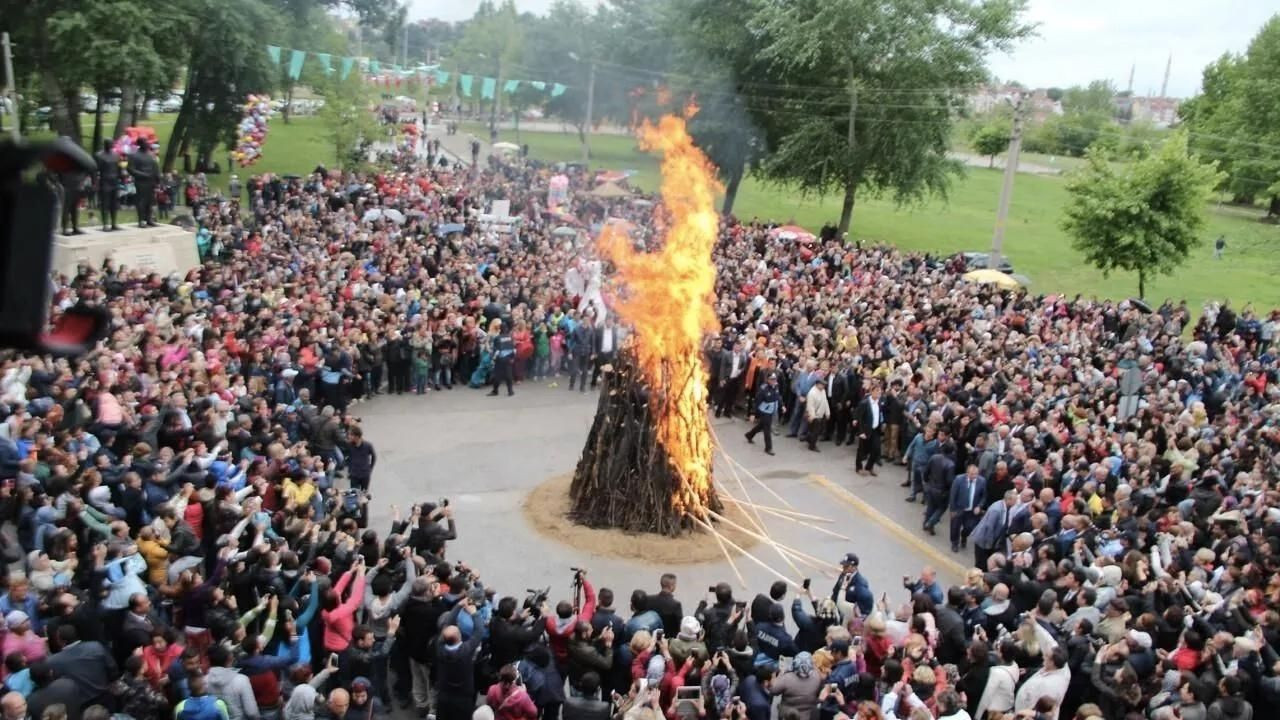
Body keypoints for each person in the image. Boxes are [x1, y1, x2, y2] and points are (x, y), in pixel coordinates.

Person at [948, 465, 986, 553]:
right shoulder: (958, 479)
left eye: (976, 474)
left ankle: (964, 536)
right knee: (955, 527)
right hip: (959, 509)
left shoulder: (982, 481)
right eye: (972, 474)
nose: (974, 476)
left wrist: (979, 506)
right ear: (967, 473)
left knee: (970, 527)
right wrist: (952, 510)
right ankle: (955, 543)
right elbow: (953, 495)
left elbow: (983, 496)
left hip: (972, 511)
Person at [744, 372, 780, 455]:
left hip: (771, 411)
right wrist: (753, 413)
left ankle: (749, 435)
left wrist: (782, 405)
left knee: (761, 426)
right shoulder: (763, 389)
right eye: (772, 379)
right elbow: (757, 401)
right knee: (767, 429)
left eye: (774, 379)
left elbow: (778, 397)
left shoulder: (776, 386)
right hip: (764, 411)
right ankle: (768, 448)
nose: (773, 381)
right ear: (768, 380)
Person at [127, 139, 160, 228]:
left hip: (151, 181)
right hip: (141, 181)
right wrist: (143, 175)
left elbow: (155, 167)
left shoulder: (150, 155)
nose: (148, 144)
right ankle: (141, 220)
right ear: (141, 144)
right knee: (142, 201)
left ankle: (149, 219)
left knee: (150, 201)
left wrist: (158, 179)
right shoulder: (134, 155)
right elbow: (130, 169)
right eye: (146, 143)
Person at [854, 382, 883, 476]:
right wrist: (861, 432)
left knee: (876, 449)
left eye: (880, 391)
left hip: (875, 430)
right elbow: (859, 418)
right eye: (877, 391)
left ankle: (869, 467)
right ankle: (858, 467)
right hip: (865, 430)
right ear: (872, 392)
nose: (879, 393)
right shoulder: (865, 403)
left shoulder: (879, 403)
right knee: (862, 449)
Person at [93, 141, 120, 231]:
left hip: (115, 181)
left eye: (111, 143)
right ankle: (105, 224)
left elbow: (118, 168)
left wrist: (121, 177)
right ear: (105, 144)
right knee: (105, 203)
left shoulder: (116, 155)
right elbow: (95, 170)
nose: (110, 145)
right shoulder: (99, 155)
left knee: (114, 204)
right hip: (105, 181)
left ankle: (114, 223)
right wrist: (95, 182)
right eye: (108, 143)